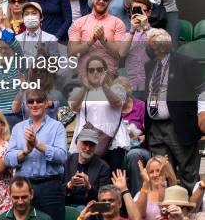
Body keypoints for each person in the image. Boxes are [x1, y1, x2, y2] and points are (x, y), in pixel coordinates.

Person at [143, 29, 201, 190]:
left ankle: (194, 211)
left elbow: (201, 91)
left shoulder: (185, 63)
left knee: (188, 172)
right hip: (155, 128)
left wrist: (200, 115)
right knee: (160, 173)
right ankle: (167, 211)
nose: (148, 45)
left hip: (178, 125)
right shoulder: (150, 65)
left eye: (152, 42)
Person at [5, 89, 67, 220]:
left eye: (38, 101)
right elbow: (8, 159)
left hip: (50, 187)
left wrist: (37, 145)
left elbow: (62, 156)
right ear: (26, 105)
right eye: (30, 101)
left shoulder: (57, 126)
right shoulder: (18, 128)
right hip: (24, 188)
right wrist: (26, 151)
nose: (34, 104)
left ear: (45, 103)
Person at [68, 56, 129, 171]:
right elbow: (73, 106)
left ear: (105, 71)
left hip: (112, 141)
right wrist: (85, 88)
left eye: (99, 69)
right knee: (89, 178)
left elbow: (116, 102)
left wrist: (104, 85)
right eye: (91, 70)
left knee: (111, 179)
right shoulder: (79, 91)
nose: (95, 73)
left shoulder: (117, 88)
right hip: (88, 141)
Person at [68, 0, 126, 77]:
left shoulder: (118, 23)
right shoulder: (79, 23)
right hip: (84, 75)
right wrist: (90, 42)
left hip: (109, 76)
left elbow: (120, 53)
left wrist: (103, 40)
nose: (101, 1)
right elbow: (71, 52)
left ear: (110, 1)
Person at [63, 128, 111, 207]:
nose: (88, 148)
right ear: (77, 142)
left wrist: (89, 186)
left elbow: (103, 200)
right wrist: (69, 185)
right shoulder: (67, 161)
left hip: (90, 208)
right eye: (85, 143)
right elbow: (57, 189)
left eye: (92, 145)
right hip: (67, 204)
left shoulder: (103, 167)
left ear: (96, 146)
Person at [135, 155, 178, 220]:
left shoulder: (175, 193)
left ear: (166, 171)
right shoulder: (140, 194)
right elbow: (139, 216)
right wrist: (145, 183)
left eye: (158, 171)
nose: (155, 175)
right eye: (151, 172)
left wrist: (162, 179)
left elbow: (164, 209)